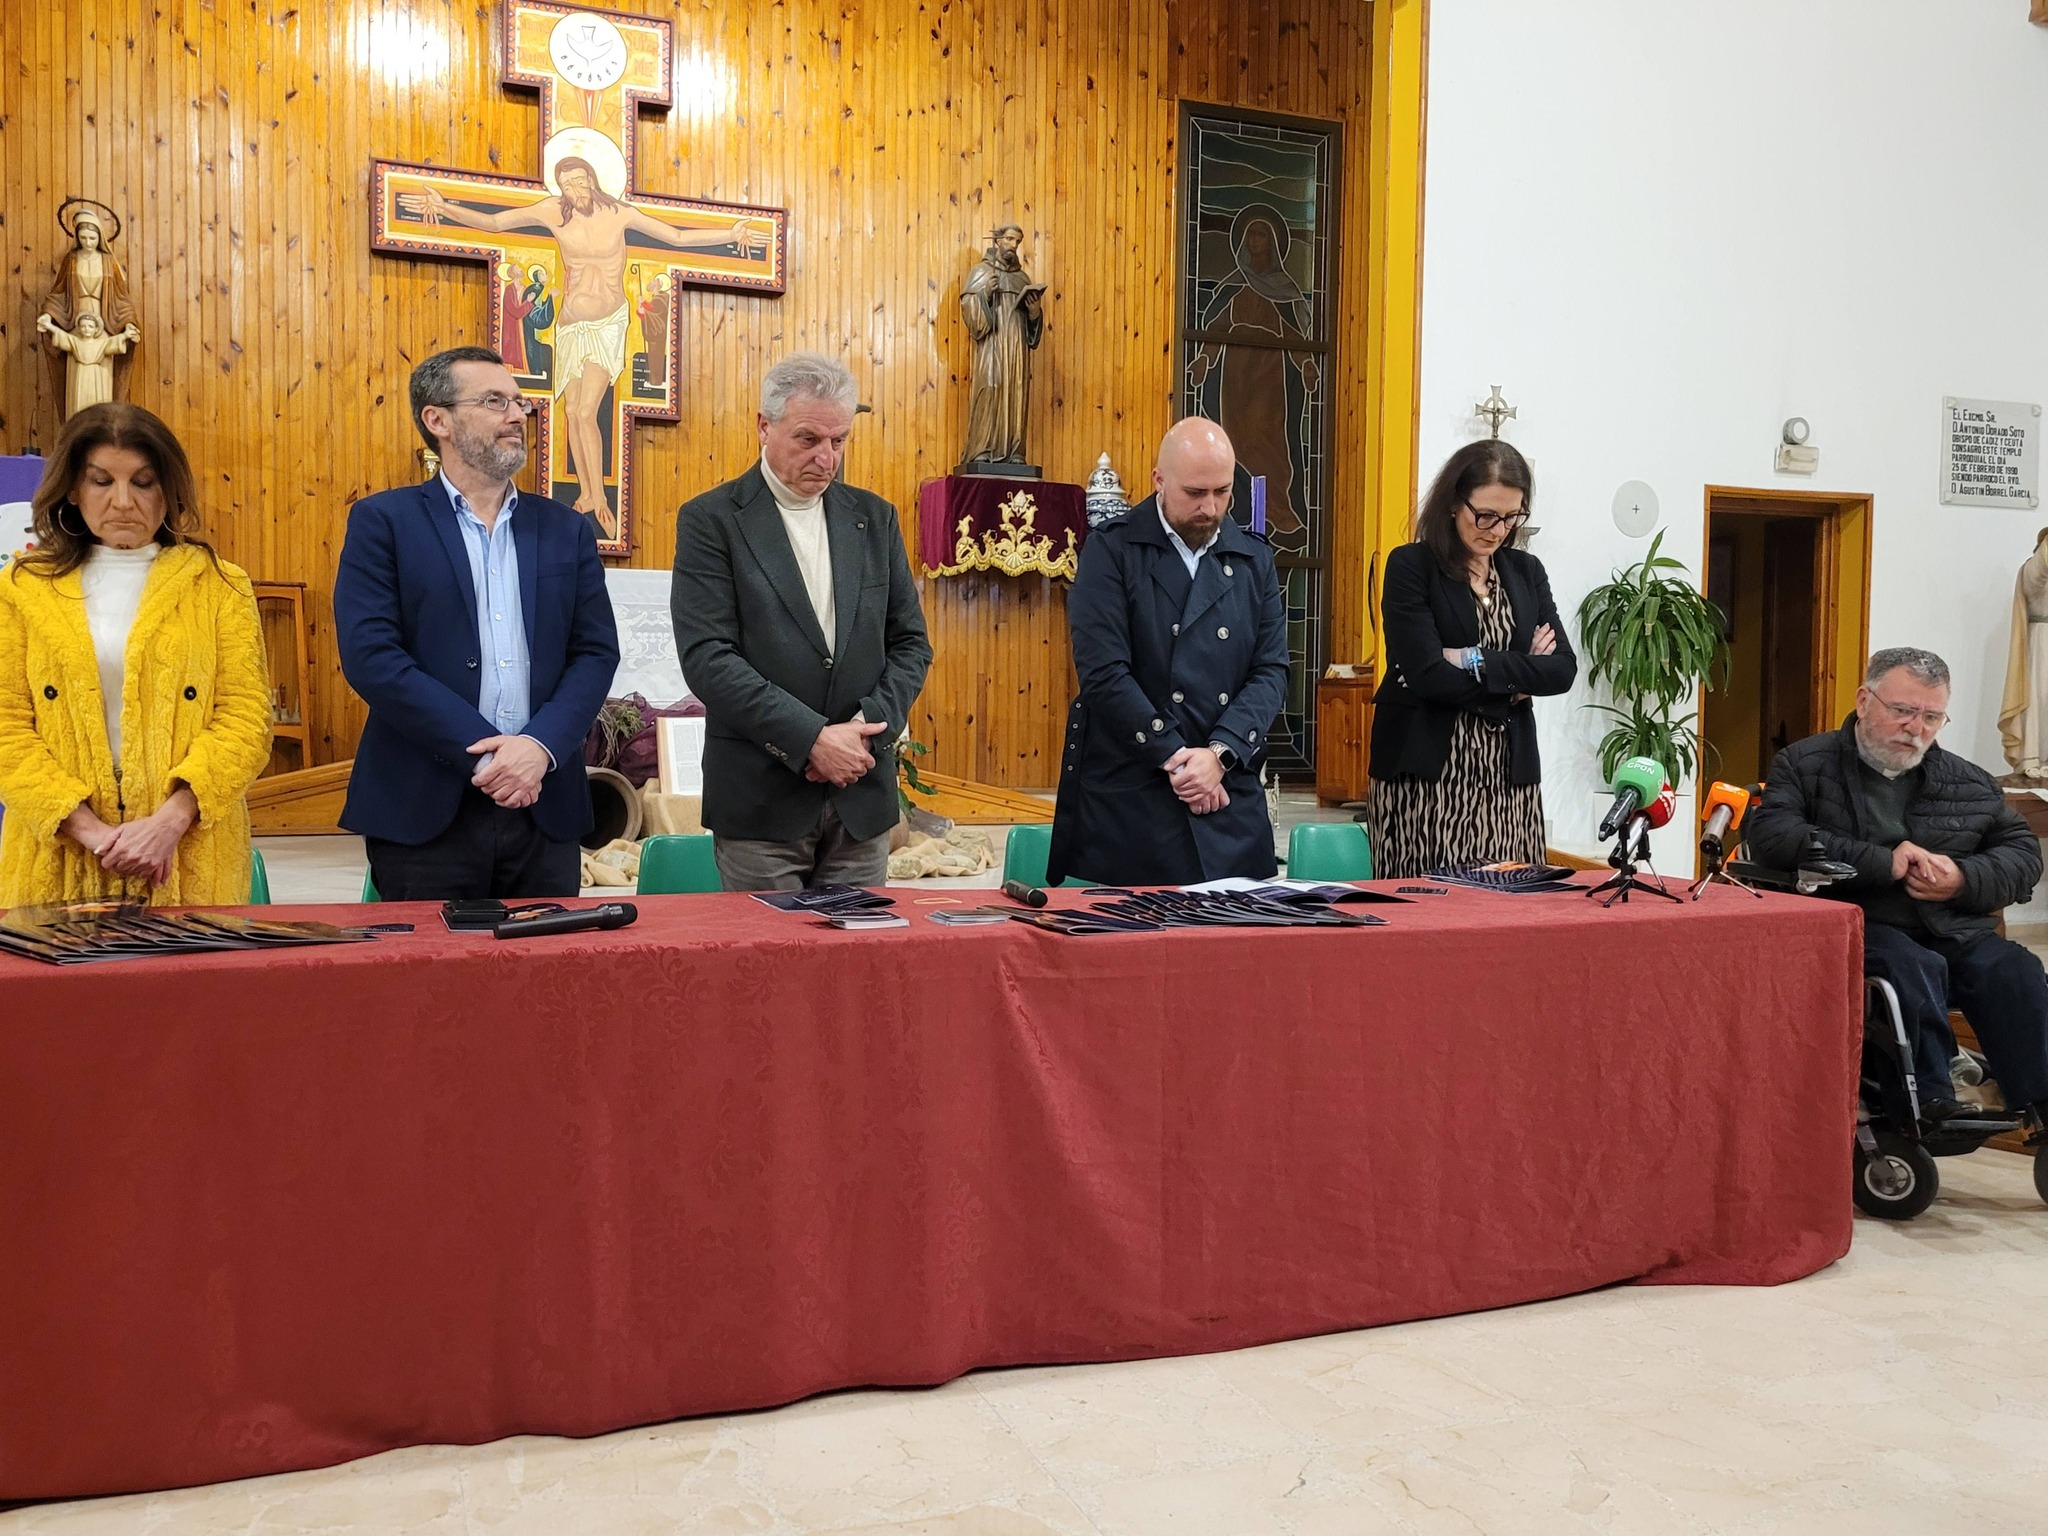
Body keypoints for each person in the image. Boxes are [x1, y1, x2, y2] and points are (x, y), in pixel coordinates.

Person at [334, 345, 620, 901]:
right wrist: (489, 751)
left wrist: (538, 747)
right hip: (425, 802)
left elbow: (595, 653)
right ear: (436, 420)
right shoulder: (383, 522)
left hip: (544, 799)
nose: (517, 415)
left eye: (519, 402)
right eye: (494, 401)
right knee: (430, 983)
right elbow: (374, 658)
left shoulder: (565, 529)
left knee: (546, 980)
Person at [1746, 647, 2048, 1132]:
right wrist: (1883, 863)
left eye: (1932, 716)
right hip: (1854, 921)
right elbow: (1773, 838)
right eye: (1903, 711)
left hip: (1949, 926)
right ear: (1865, 700)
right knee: (1910, 965)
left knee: (2014, 969)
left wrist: (1962, 879)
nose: (1917, 729)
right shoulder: (1804, 764)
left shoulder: (1968, 781)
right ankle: (1930, 1098)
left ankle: (2041, 1107)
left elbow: (2022, 856)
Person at [671, 351, 933, 891]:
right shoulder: (711, 520)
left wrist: (862, 735)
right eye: (809, 439)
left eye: (840, 441)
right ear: (764, 426)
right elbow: (708, 658)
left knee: (857, 970)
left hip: (860, 796)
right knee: (768, 970)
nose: (828, 458)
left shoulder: (875, 518)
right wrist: (812, 739)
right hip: (762, 800)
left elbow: (910, 644)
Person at [0, 402, 271, 907]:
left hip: (187, 854)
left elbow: (246, 720)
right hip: (56, 856)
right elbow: (6, 727)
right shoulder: (21, 589)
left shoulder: (217, 585)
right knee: (59, 987)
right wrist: (93, 833)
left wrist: (170, 820)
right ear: (73, 490)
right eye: (102, 481)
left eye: (143, 482)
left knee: (188, 986)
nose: (123, 501)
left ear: (168, 490)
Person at [401, 160, 764, 533]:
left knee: (587, 409)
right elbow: (496, 223)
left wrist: (730, 232)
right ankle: (588, 493)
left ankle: (600, 497)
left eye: (579, 181)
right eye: (567, 185)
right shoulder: (551, 212)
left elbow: (677, 237)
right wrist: (444, 207)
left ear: (592, 179)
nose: (575, 190)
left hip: (608, 323)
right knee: (573, 410)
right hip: (571, 324)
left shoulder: (620, 214)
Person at [1046, 417, 1289, 886]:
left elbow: (1271, 672)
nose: (1210, 507)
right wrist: (1179, 760)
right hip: (1139, 795)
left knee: (1237, 953)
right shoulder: (1112, 549)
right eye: (1195, 493)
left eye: (1222, 492)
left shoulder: (1253, 558)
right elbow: (1104, 673)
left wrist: (1218, 755)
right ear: (1159, 480)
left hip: (1226, 793)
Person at [1365, 440, 1576, 878]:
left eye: (1511, 516)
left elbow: (1561, 670)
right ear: (1452, 504)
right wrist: (1517, 681)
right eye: (1485, 515)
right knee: (1433, 915)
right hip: (1426, 780)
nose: (1497, 530)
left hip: (1507, 781)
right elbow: (1426, 676)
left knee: (1513, 908)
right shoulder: (1411, 566)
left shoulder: (1525, 572)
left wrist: (1472, 658)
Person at [959, 224, 1045, 466]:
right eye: (1008, 239)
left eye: (1017, 241)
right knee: (990, 388)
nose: (1013, 246)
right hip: (992, 344)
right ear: (997, 241)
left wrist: (1034, 312)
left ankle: (1015, 451)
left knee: (1017, 391)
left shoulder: (1022, 278)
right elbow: (969, 309)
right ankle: (982, 449)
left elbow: (1033, 330)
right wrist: (985, 293)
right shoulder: (981, 272)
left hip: (1017, 347)